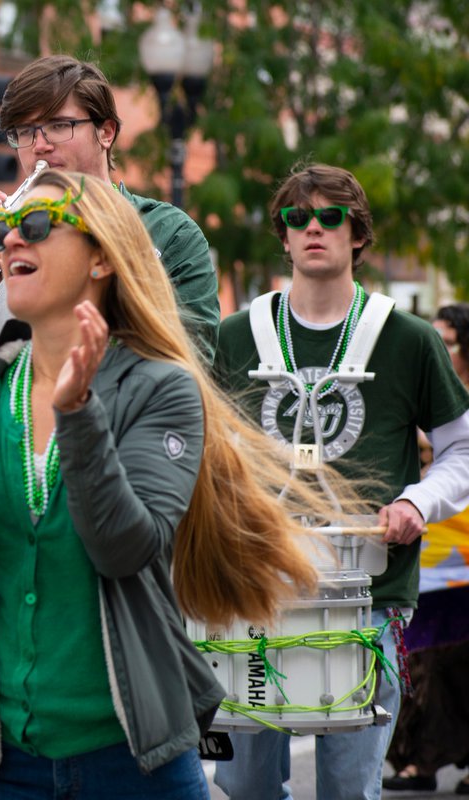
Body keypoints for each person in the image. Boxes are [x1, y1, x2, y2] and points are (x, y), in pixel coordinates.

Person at [0, 168, 328, 800]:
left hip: (133, 764)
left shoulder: (160, 388)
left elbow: (123, 548)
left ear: (101, 256)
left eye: (37, 226)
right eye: (3, 229)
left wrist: (78, 419)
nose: (11, 241)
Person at [213, 164, 469, 800]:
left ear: (358, 233)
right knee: (243, 787)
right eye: (298, 218)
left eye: (331, 217)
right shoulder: (234, 336)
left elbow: (461, 447)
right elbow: (199, 449)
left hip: (369, 593)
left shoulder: (408, 339)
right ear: (284, 235)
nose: (313, 229)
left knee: (349, 791)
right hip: (252, 591)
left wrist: (417, 500)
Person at [0, 54, 220, 406]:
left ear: (106, 131)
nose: (39, 144)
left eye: (59, 125)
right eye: (24, 132)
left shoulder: (170, 234)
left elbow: (192, 365)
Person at [382, 304, 469, 794]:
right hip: (427, 550)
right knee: (419, 658)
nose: (440, 348)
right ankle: (421, 758)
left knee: (462, 661)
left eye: (450, 341)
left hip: (465, 552)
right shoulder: (414, 384)